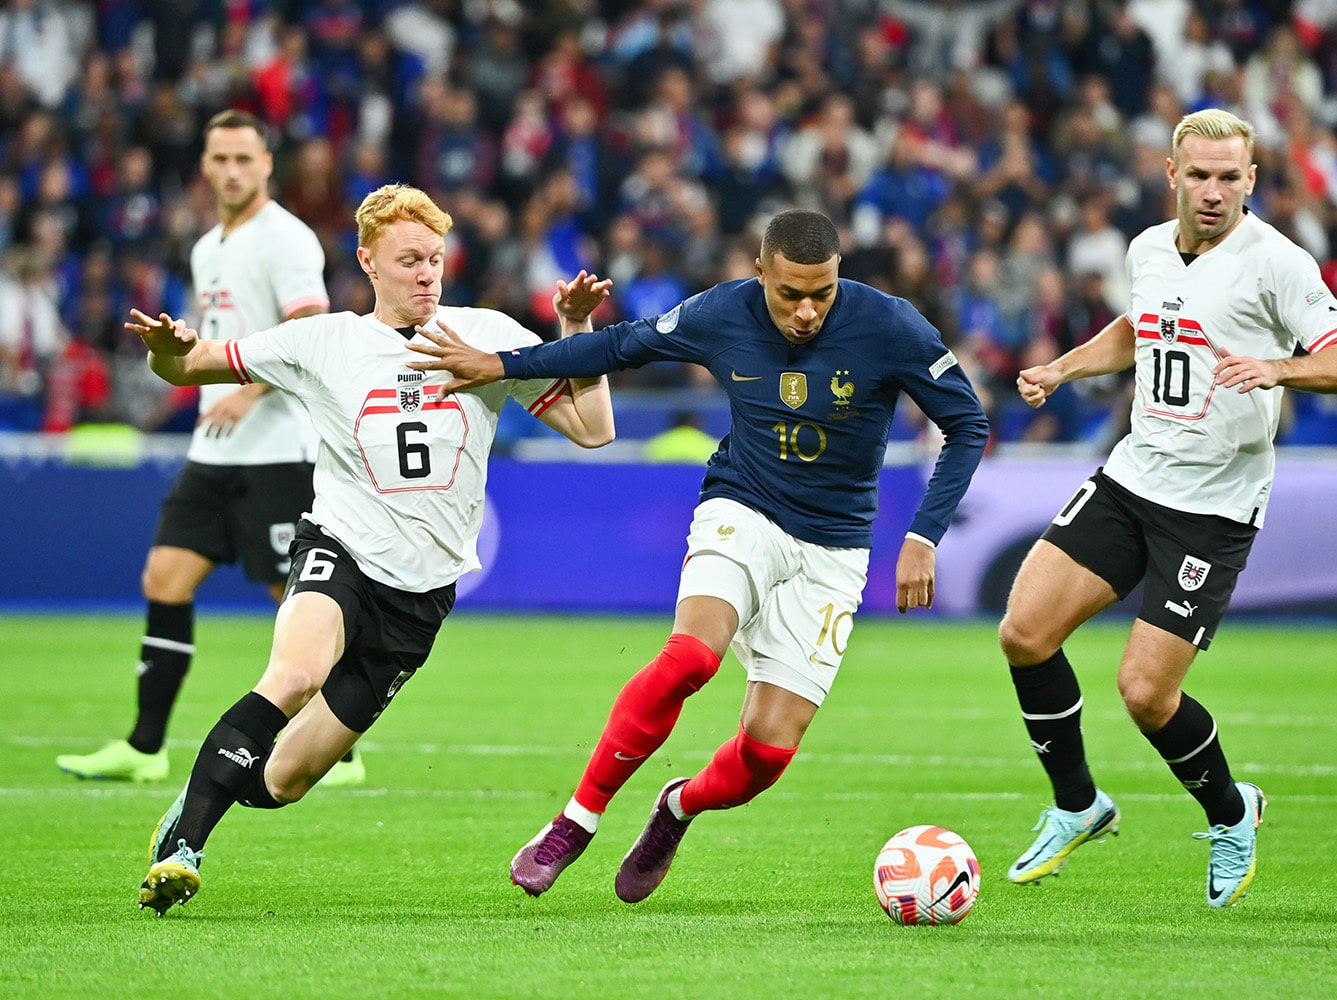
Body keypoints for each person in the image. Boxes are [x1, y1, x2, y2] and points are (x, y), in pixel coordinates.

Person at [407, 208, 989, 903]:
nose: (807, 312)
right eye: (790, 294)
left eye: (822, 294)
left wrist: (922, 535)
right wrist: (502, 365)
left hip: (833, 549)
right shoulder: (722, 312)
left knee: (766, 755)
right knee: (691, 658)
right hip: (742, 506)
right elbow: (620, 347)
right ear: (760, 273)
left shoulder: (891, 325)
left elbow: (967, 422)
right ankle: (574, 822)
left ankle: (676, 808)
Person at [127, 183, 615, 914]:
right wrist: (166, 356)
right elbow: (189, 365)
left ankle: (204, 796)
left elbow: (593, 430)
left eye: (436, 259)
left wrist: (577, 333)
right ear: (368, 262)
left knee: (285, 780)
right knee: (293, 674)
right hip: (340, 550)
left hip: (419, 599)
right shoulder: (322, 341)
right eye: (410, 259)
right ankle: (184, 848)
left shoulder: (485, 335)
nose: (426, 273)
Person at [996, 109, 1337, 908]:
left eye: (1229, 177)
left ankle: (1233, 813)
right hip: (1135, 474)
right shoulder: (1145, 249)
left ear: (1252, 180)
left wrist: (1277, 369)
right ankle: (1078, 806)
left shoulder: (1277, 262)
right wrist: (1062, 369)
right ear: (1172, 174)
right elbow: (1142, 329)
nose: (1213, 192)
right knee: (1024, 633)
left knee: (1145, 693)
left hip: (1213, 506)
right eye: (1198, 175)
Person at [54, 110, 369, 786]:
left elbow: (310, 324)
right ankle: (144, 748)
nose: (231, 171)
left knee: (297, 597)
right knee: (163, 579)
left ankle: (339, 750)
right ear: (204, 165)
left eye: (243, 159)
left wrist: (248, 389)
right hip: (214, 449)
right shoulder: (207, 247)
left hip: (279, 449)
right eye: (219, 159)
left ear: (266, 165)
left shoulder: (286, 238)